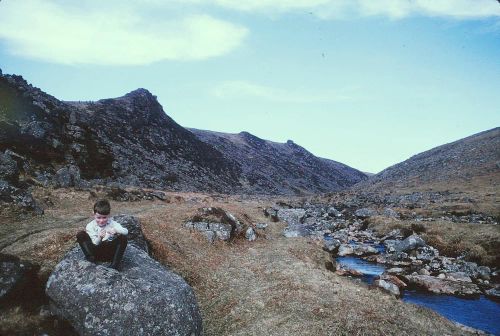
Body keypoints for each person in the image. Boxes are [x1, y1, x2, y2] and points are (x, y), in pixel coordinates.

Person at [76, 199, 128, 270]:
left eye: (104, 217)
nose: (101, 220)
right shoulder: (90, 225)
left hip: (109, 253)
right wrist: (99, 237)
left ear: (109, 215)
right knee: (80, 234)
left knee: (123, 238)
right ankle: (90, 259)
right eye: (98, 217)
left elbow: (126, 231)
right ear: (94, 214)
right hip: (95, 252)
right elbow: (95, 243)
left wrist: (116, 230)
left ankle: (114, 265)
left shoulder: (112, 223)